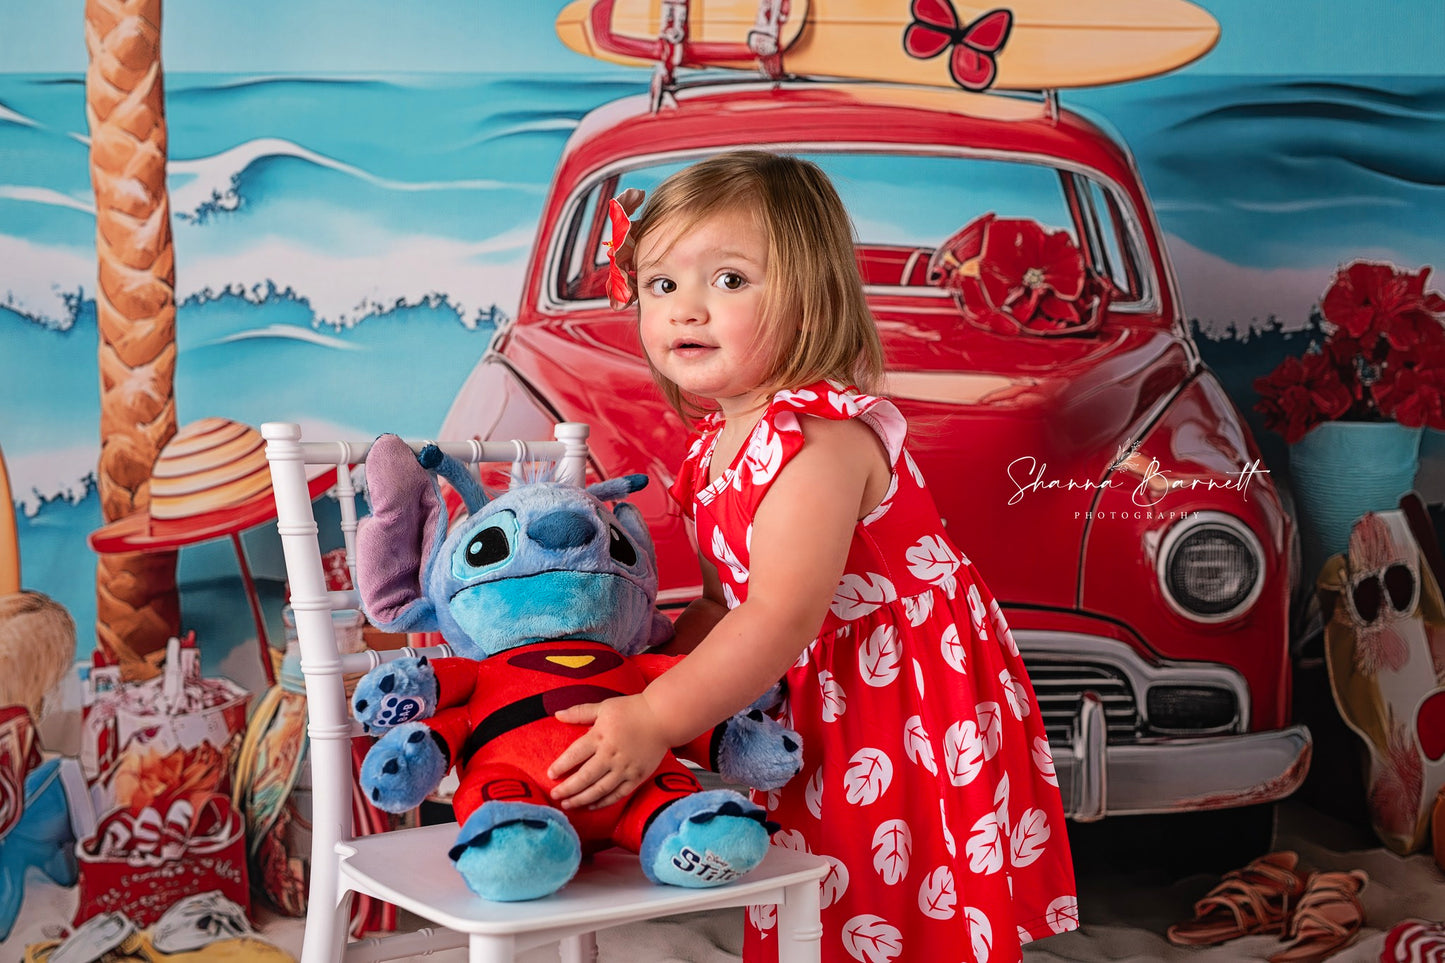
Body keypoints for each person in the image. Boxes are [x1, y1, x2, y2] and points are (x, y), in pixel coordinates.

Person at [547, 149, 1078, 962]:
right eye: (661, 285)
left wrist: (657, 718)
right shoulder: (715, 445)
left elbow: (780, 614)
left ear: (811, 296)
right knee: (817, 890)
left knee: (891, 890)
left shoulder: (818, 439)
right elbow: (724, 605)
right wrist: (639, 673)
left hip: (898, 696)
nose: (686, 310)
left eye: (728, 281)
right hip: (824, 692)